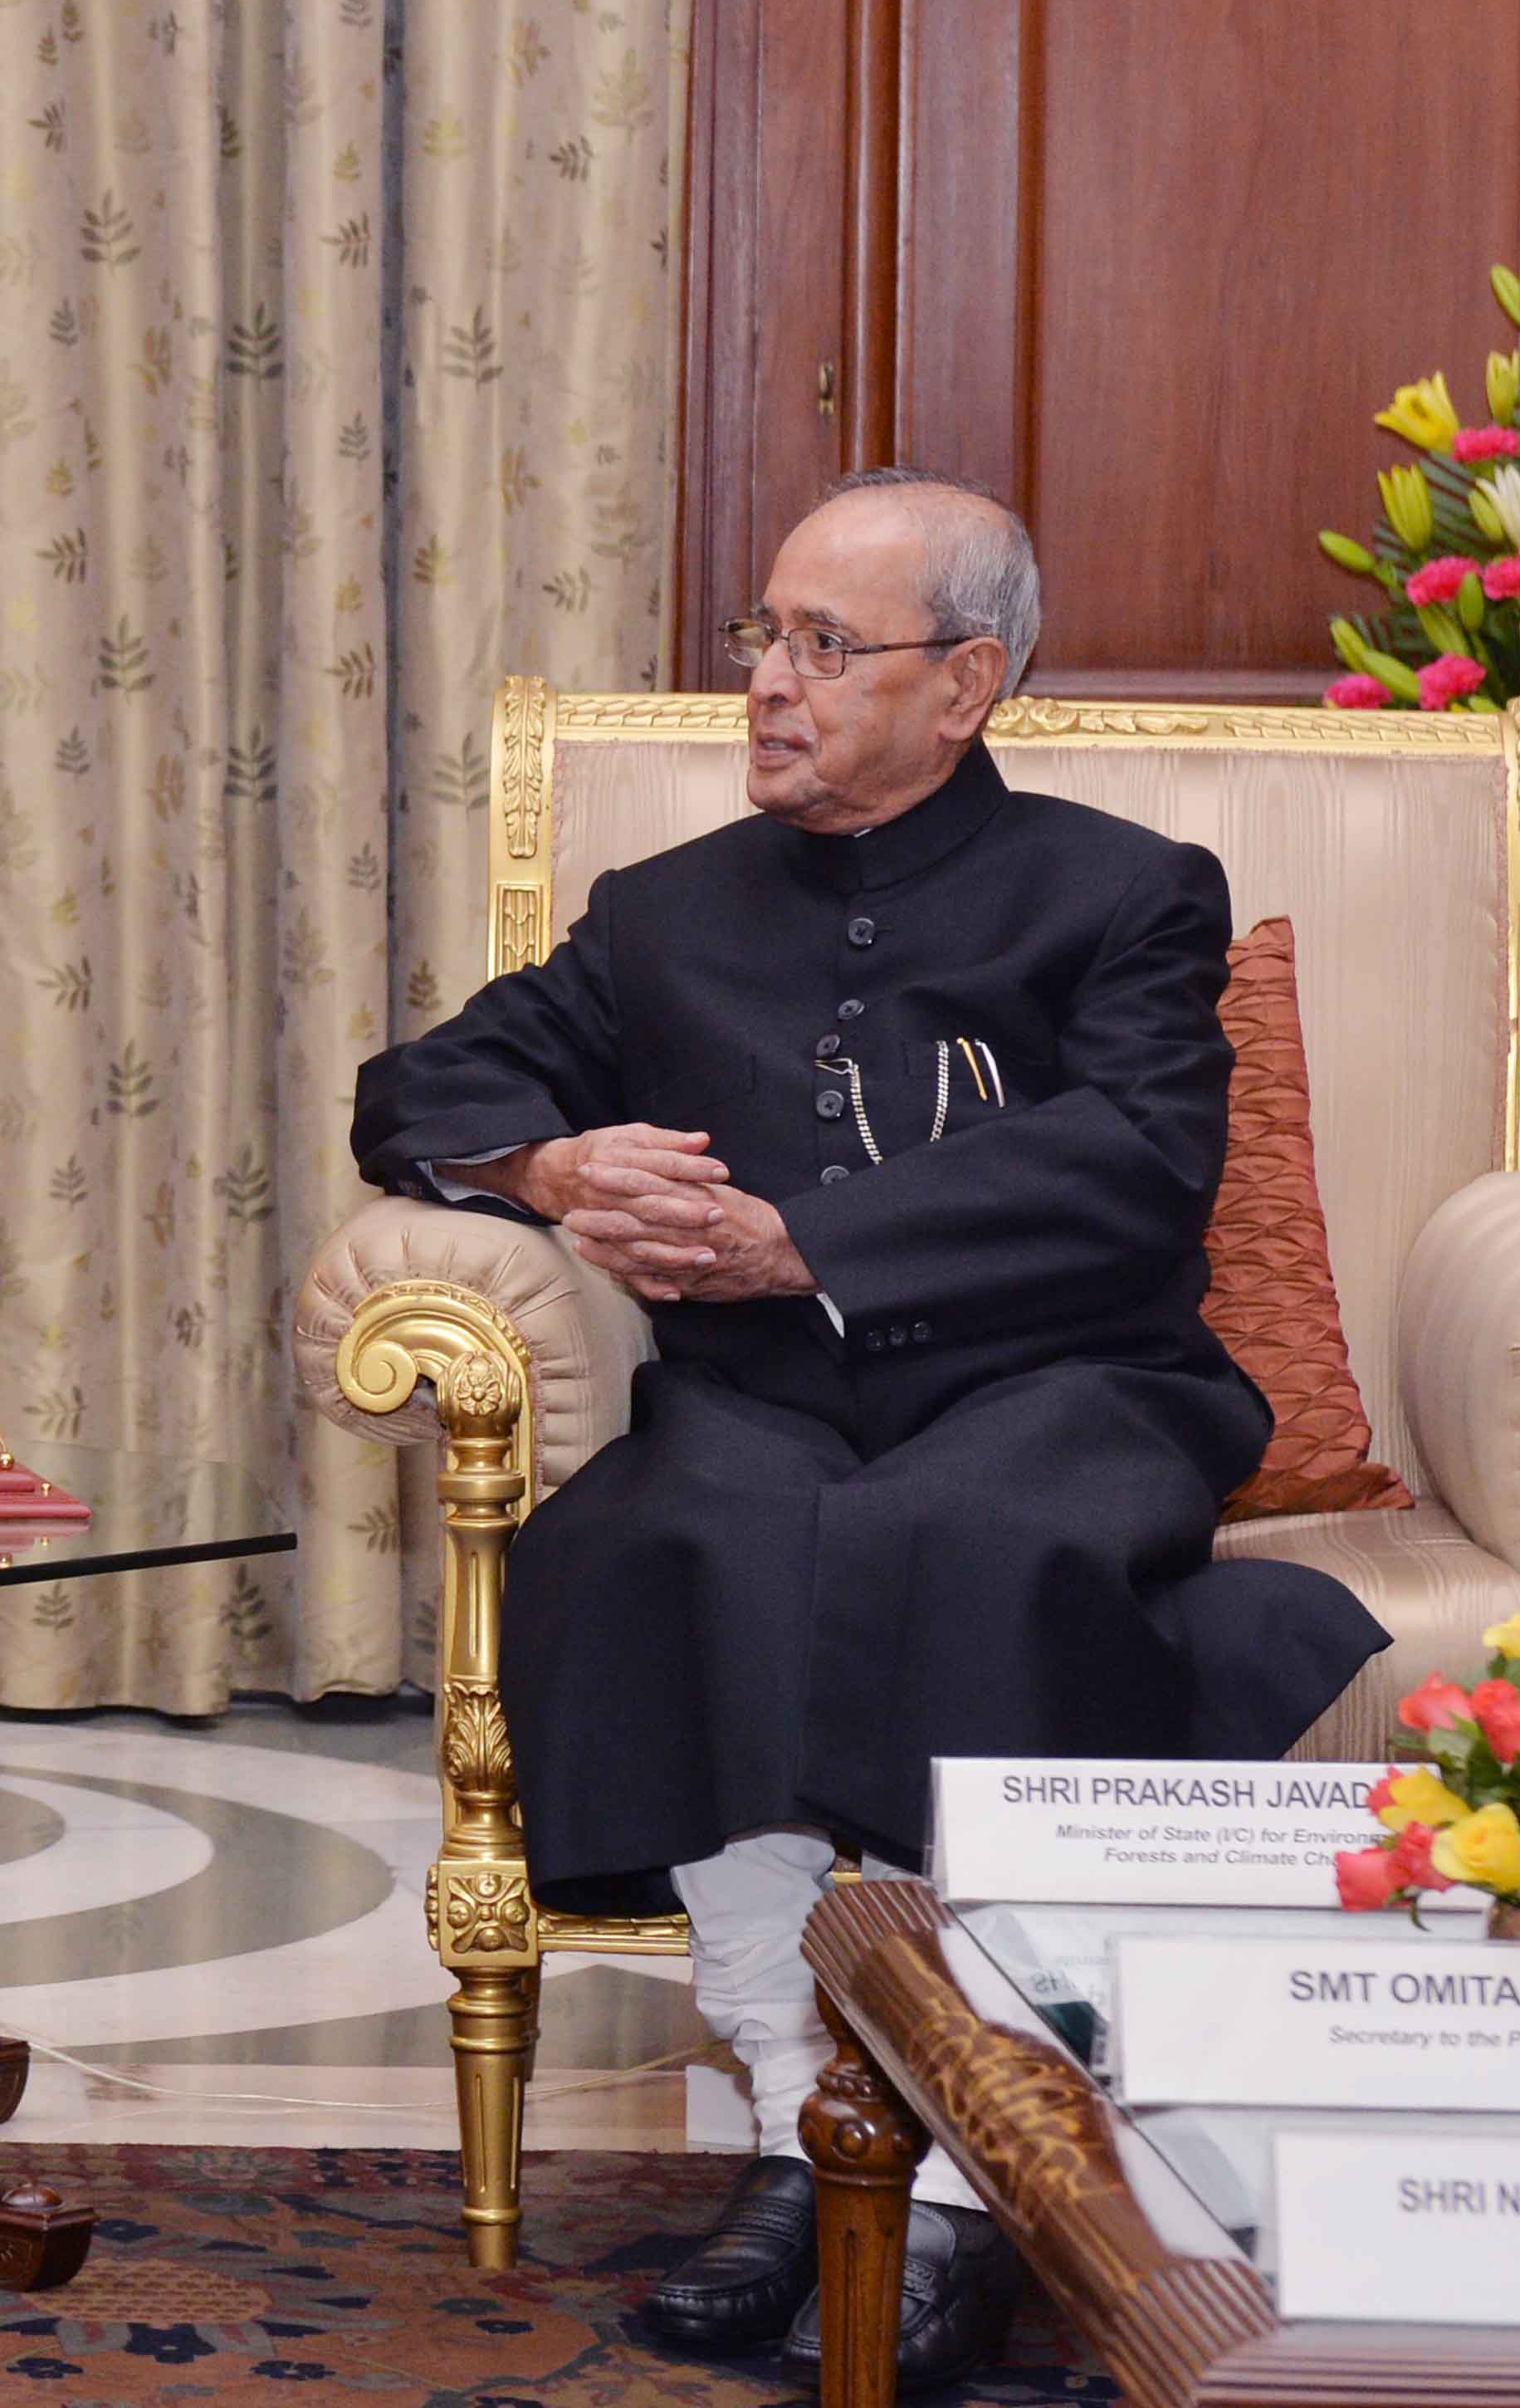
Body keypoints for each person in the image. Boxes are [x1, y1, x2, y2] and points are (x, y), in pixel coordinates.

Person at [349, 469, 1384, 2386]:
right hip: (773, 1401)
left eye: (827, 643)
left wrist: (794, 1236)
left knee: (969, 1545)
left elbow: (1141, 1164)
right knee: (674, 1534)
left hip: (1067, 1386)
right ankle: (791, 2119)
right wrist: (557, 1159)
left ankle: (957, 2195)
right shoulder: (660, 912)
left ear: (967, 680)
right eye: (764, 634)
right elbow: (423, 1088)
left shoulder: (1128, 889)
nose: (768, 680)